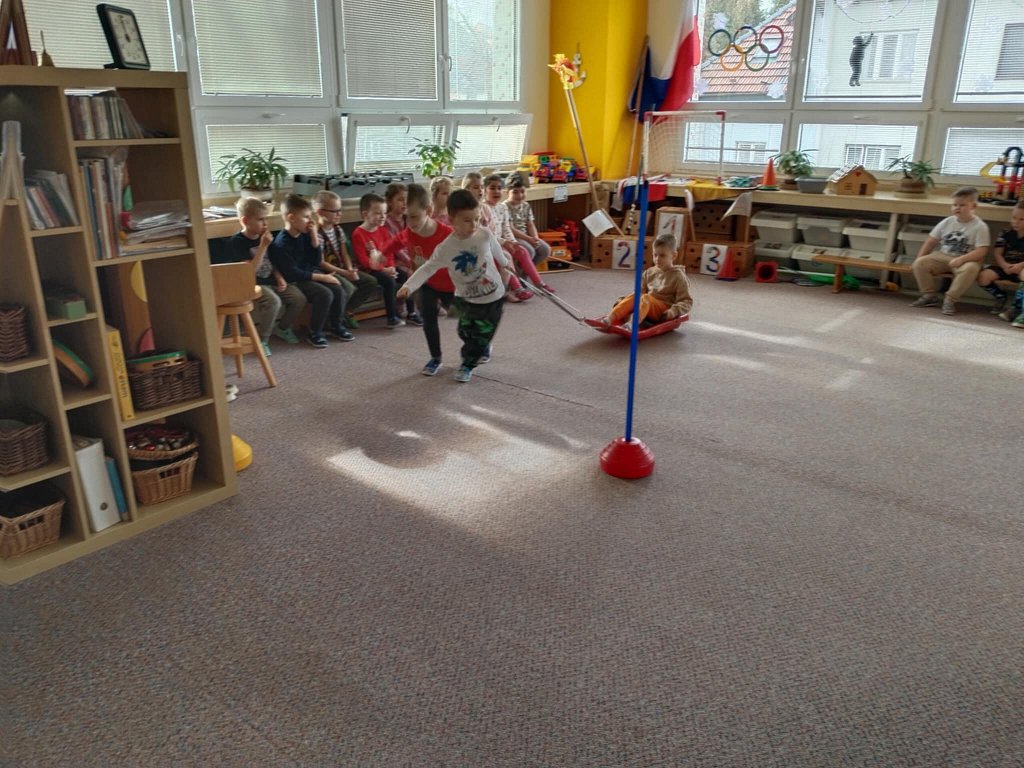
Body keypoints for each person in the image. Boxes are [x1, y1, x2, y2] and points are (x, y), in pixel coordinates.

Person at [398, 189, 509, 383]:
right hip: (466, 297)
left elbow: (497, 251)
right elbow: (427, 268)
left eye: (476, 219)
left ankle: (467, 365)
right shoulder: (446, 248)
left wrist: (506, 264)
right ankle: (480, 347)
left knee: (480, 336)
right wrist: (409, 286)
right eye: (467, 220)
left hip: (493, 296)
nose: (473, 225)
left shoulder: (484, 235)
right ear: (452, 220)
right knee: (464, 332)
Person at [381, 183, 455, 375]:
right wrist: (381, 255)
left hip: (449, 285)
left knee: (465, 322)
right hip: (425, 283)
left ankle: (481, 344)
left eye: (414, 217)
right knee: (428, 320)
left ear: (428, 210)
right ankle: (435, 357)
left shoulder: (447, 234)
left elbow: (468, 248)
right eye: (406, 217)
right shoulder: (409, 232)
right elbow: (395, 242)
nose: (410, 223)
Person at [269, 194, 353, 348]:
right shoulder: (281, 243)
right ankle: (315, 332)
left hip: (309, 273)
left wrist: (314, 238)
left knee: (338, 289)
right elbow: (292, 273)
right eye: (306, 217)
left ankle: (336, 325)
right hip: (296, 280)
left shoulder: (304, 234)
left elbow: (315, 261)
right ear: (291, 218)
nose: (310, 221)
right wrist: (322, 278)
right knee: (324, 294)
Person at [227, 197, 306, 354]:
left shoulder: (264, 236)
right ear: (245, 221)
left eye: (266, 219)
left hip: (271, 279)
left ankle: (282, 328)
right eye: (260, 219)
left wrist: (279, 277)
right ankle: (262, 340)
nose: (265, 224)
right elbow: (249, 271)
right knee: (274, 302)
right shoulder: (237, 242)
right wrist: (263, 246)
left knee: (299, 298)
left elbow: (272, 262)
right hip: (253, 283)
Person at [910, 187, 991, 316]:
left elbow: (982, 250)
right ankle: (929, 296)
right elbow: (931, 241)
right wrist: (919, 258)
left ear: (973, 206)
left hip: (966, 259)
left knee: (970, 269)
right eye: (955, 205)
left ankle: (950, 299)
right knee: (920, 263)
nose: (957, 208)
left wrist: (961, 259)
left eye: (962, 205)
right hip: (943, 255)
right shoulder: (947, 222)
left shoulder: (980, 226)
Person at [350, 192, 421, 328]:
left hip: (385, 268)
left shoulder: (383, 231)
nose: (383, 216)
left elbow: (389, 253)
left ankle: (411, 312)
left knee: (408, 276)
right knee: (389, 282)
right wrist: (384, 270)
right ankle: (391, 317)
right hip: (369, 269)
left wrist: (391, 267)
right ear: (365, 214)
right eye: (378, 213)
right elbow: (364, 261)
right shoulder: (358, 234)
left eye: (384, 213)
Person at [312, 190, 378, 329]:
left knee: (370, 282)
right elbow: (321, 262)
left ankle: (345, 312)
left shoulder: (338, 230)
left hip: (342, 268)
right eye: (334, 211)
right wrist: (344, 273)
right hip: (327, 272)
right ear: (320, 212)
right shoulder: (317, 234)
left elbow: (344, 253)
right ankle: (333, 320)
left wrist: (349, 269)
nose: (339, 214)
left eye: (340, 210)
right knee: (348, 288)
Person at [599, 234, 693, 331]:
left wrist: (673, 312)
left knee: (646, 297)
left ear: (674, 255)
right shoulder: (649, 272)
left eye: (662, 255)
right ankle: (609, 319)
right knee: (638, 295)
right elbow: (640, 293)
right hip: (646, 307)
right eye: (655, 255)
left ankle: (633, 324)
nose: (657, 259)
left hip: (663, 312)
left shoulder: (679, 277)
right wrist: (624, 300)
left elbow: (686, 301)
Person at [483, 173, 556, 297]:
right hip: (492, 244)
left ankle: (539, 283)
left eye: (499, 188)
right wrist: (506, 242)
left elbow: (506, 228)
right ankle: (518, 288)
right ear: (484, 190)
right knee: (506, 258)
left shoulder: (502, 208)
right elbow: (488, 234)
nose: (496, 191)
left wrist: (513, 242)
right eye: (492, 188)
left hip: (505, 241)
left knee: (522, 251)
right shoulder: (483, 208)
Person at [980, 199, 1024, 316]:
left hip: (1021, 267)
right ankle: (1000, 296)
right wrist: (1004, 265)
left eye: (1021, 219)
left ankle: (1016, 308)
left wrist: (1019, 266)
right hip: (1004, 265)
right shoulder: (1005, 232)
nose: (1016, 222)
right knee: (983, 276)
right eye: (1014, 218)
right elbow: (997, 253)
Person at [505, 173, 552, 267]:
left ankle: (528, 271)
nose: (520, 195)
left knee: (545, 250)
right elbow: (511, 229)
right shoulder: (504, 207)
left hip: (526, 236)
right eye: (515, 192)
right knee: (529, 251)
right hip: (513, 237)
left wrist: (535, 237)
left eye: (522, 191)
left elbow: (530, 224)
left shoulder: (526, 205)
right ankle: (521, 273)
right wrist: (529, 239)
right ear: (507, 192)